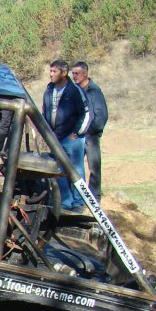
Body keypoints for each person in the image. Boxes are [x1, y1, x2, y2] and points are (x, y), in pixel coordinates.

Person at [42, 59, 90, 212]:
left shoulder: (75, 91)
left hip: (72, 138)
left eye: (54, 71)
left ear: (64, 73)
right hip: (55, 138)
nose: (51, 74)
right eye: (50, 71)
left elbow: (86, 114)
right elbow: (45, 112)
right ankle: (65, 202)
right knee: (59, 170)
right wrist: (46, 133)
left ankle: (79, 202)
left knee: (76, 170)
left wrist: (76, 133)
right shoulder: (49, 90)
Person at [71, 62, 108, 202]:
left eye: (77, 73)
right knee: (73, 166)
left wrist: (92, 130)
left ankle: (95, 198)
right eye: (73, 73)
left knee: (94, 167)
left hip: (90, 135)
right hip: (76, 135)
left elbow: (101, 115)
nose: (74, 76)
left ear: (85, 73)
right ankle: (76, 197)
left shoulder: (94, 91)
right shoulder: (75, 91)